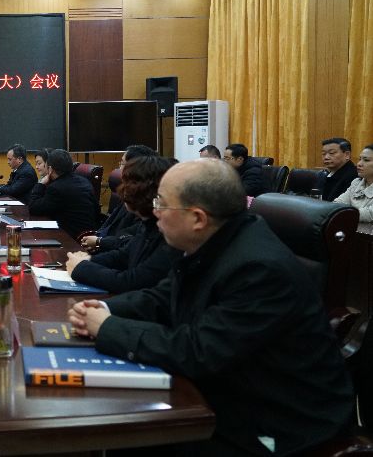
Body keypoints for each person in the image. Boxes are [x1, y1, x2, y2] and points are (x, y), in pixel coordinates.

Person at [67, 159, 353, 456]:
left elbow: (198, 350)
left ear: (198, 218)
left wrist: (108, 327)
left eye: (161, 203)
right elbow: (162, 296)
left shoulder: (258, 269)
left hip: (279, 423)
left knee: (124, 430)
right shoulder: (213, 240)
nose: (155, 211)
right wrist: (103, 309)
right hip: (229, 390)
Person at [66, 155, 180, 294]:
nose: (123, 190)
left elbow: (133, 281)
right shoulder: (148, 224)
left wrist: (82, 268)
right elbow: (123, 255)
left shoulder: (170, 232)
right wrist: (87, 260)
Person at [78, 145, 156, 253]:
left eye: (122, 163)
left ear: (134, 167)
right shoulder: (127, 193)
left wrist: (99, 242)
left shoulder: (145, 201)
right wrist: (96, 240)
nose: (119, 168)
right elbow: (109, 227)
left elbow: (128, 242)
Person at [27, 149, 97, 237]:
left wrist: (40, 184)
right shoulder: (85, 181)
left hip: (71, 238)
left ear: (50, 169)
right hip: (91, 235)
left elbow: (33, 208)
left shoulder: (56, 188)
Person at [334, 143, 373, 222]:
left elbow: (369, 214)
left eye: (366, 160)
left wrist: (339, 213)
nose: (359, 164)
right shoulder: (356, 183)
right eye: (359, 159)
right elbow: (336, 204)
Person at [318, 137, 356, 202]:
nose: (326, 157)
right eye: (323, 154)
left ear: (347, 155)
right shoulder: (324, 174)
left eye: (332, 153)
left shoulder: (353, 176)